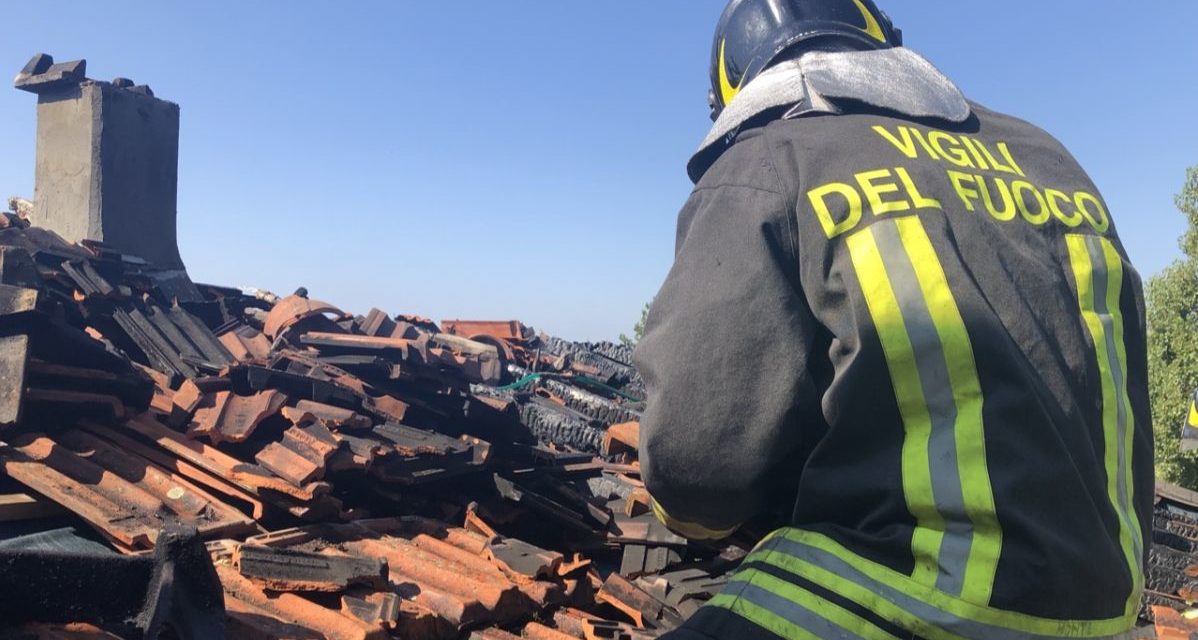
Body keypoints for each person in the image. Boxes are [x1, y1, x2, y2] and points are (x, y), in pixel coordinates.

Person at [632, 1, 1153, 638]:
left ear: (733, 90)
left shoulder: (769, 161)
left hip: (916, 601)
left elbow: (694, 474)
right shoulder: (1051, 161)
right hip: (1108, 613)